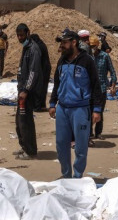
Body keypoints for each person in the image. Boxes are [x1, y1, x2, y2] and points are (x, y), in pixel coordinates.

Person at [49, 29, 103, 179]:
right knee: (61, 144)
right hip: (62, 109)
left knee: (80, 146)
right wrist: (53, 103)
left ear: (74, 42)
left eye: (65, 43)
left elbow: (95, 86)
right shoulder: (61, 61)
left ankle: (77, 176)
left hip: (80, 109)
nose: (62, 46)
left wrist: (97, 110)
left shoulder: (87, 61)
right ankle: (66, 175)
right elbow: (57, 84)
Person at [13, 24, 43, 160]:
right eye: (18, 35)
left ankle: (30, 151)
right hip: (22, 91)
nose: (20, 37)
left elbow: (33, 71)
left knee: (26, 121)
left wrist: (26, 90)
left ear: (28, 33)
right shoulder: (26, 48)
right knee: (19, 121)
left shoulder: (33, 49)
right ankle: (24, 146)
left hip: (28, 93)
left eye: (22, 35)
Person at [90, 35, 116, 141]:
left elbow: (112, 71)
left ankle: (98, 132)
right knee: (89, 111)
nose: (91, 48)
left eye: (93, 46)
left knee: (99, 111)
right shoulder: (87, 56)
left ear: (97, 45)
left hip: (101, 88)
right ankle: (89, 133)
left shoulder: (104, 56)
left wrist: (113, 85)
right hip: (90, 88)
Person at [30, 34, 50, 111]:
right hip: (44, 68)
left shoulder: (39, 46)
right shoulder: (41, 44)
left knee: (39, 88)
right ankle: (41, 105)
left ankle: (38, 106)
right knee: (43, 88)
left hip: (43, 69)